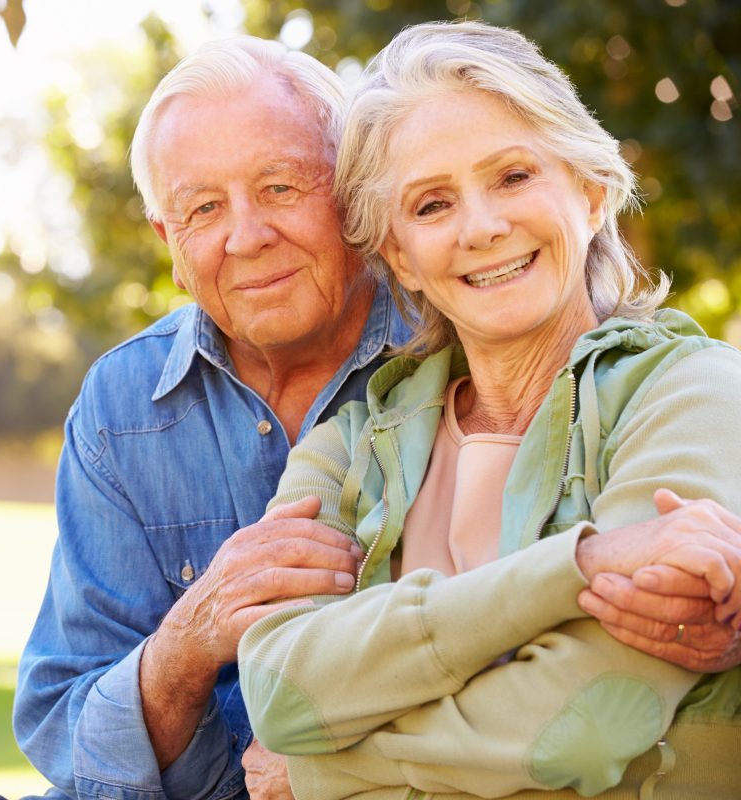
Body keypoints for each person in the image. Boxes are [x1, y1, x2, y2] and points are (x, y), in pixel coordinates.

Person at [238, 20, 741, 799]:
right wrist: (575, 568)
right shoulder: (351, 447)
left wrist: (323, 771)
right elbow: (281, 695)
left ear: (589, 188)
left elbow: (590, 724)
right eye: (432, 205)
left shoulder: (692, 394)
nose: (482, 227)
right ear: (399, 253)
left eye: (513, 176)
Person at [9, 36, 411, 800]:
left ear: (353, 191)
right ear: (170, 243)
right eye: (202, 208)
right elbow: (64, 726)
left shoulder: (457, 349)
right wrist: (189, 642)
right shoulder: (121, 405)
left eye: (282, 186)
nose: (246, 236)